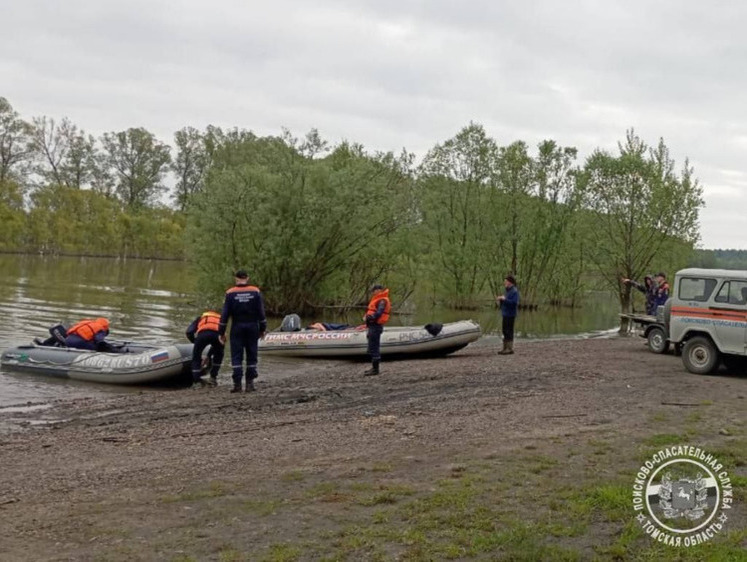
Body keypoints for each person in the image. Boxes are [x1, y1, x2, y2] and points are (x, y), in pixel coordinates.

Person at [219, 270, 267, 393]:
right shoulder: (255, 291)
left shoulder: (230, 293)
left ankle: (237, 385)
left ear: (236, 279)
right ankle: (250, 384)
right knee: (252, 354)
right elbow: (261, 313)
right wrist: (262, 329)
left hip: (237, 327)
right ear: (247, 278)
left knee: (236, 355)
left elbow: (224, 315)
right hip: (252, 326)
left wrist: (221, 332)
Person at [186, 310, 224, 388]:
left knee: (196, 357)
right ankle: (213, 378)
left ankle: (197, 382)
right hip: (218, 336)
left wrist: (195, 342)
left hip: (203, 335)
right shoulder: (221, 319)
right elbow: (222, 338)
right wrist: (208, 356)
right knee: (219, 355)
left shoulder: (201, 317)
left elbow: (189, 332)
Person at [363, 284, 391, 376]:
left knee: (374, 347)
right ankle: (374, 367)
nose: (373, 292)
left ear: (379, 290)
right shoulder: (379, 299)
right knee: (372, 346)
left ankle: (375, 369)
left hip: (375, 326)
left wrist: (370, 317)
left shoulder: (382, 300)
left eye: (374, 290)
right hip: (373, 325)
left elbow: (379, 312)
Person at [496, 275, 519, 355]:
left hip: (511, 314)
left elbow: (514, 303)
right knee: (505, 331)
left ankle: (509, 348)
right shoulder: (507, 291)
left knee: (509, 331)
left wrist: (504, 299)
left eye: (506, 281)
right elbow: (505, 302)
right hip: (505, 313)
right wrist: (501, 300)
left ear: (510, 282)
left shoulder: (514, 291)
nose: (504, 282)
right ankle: (505, 348)